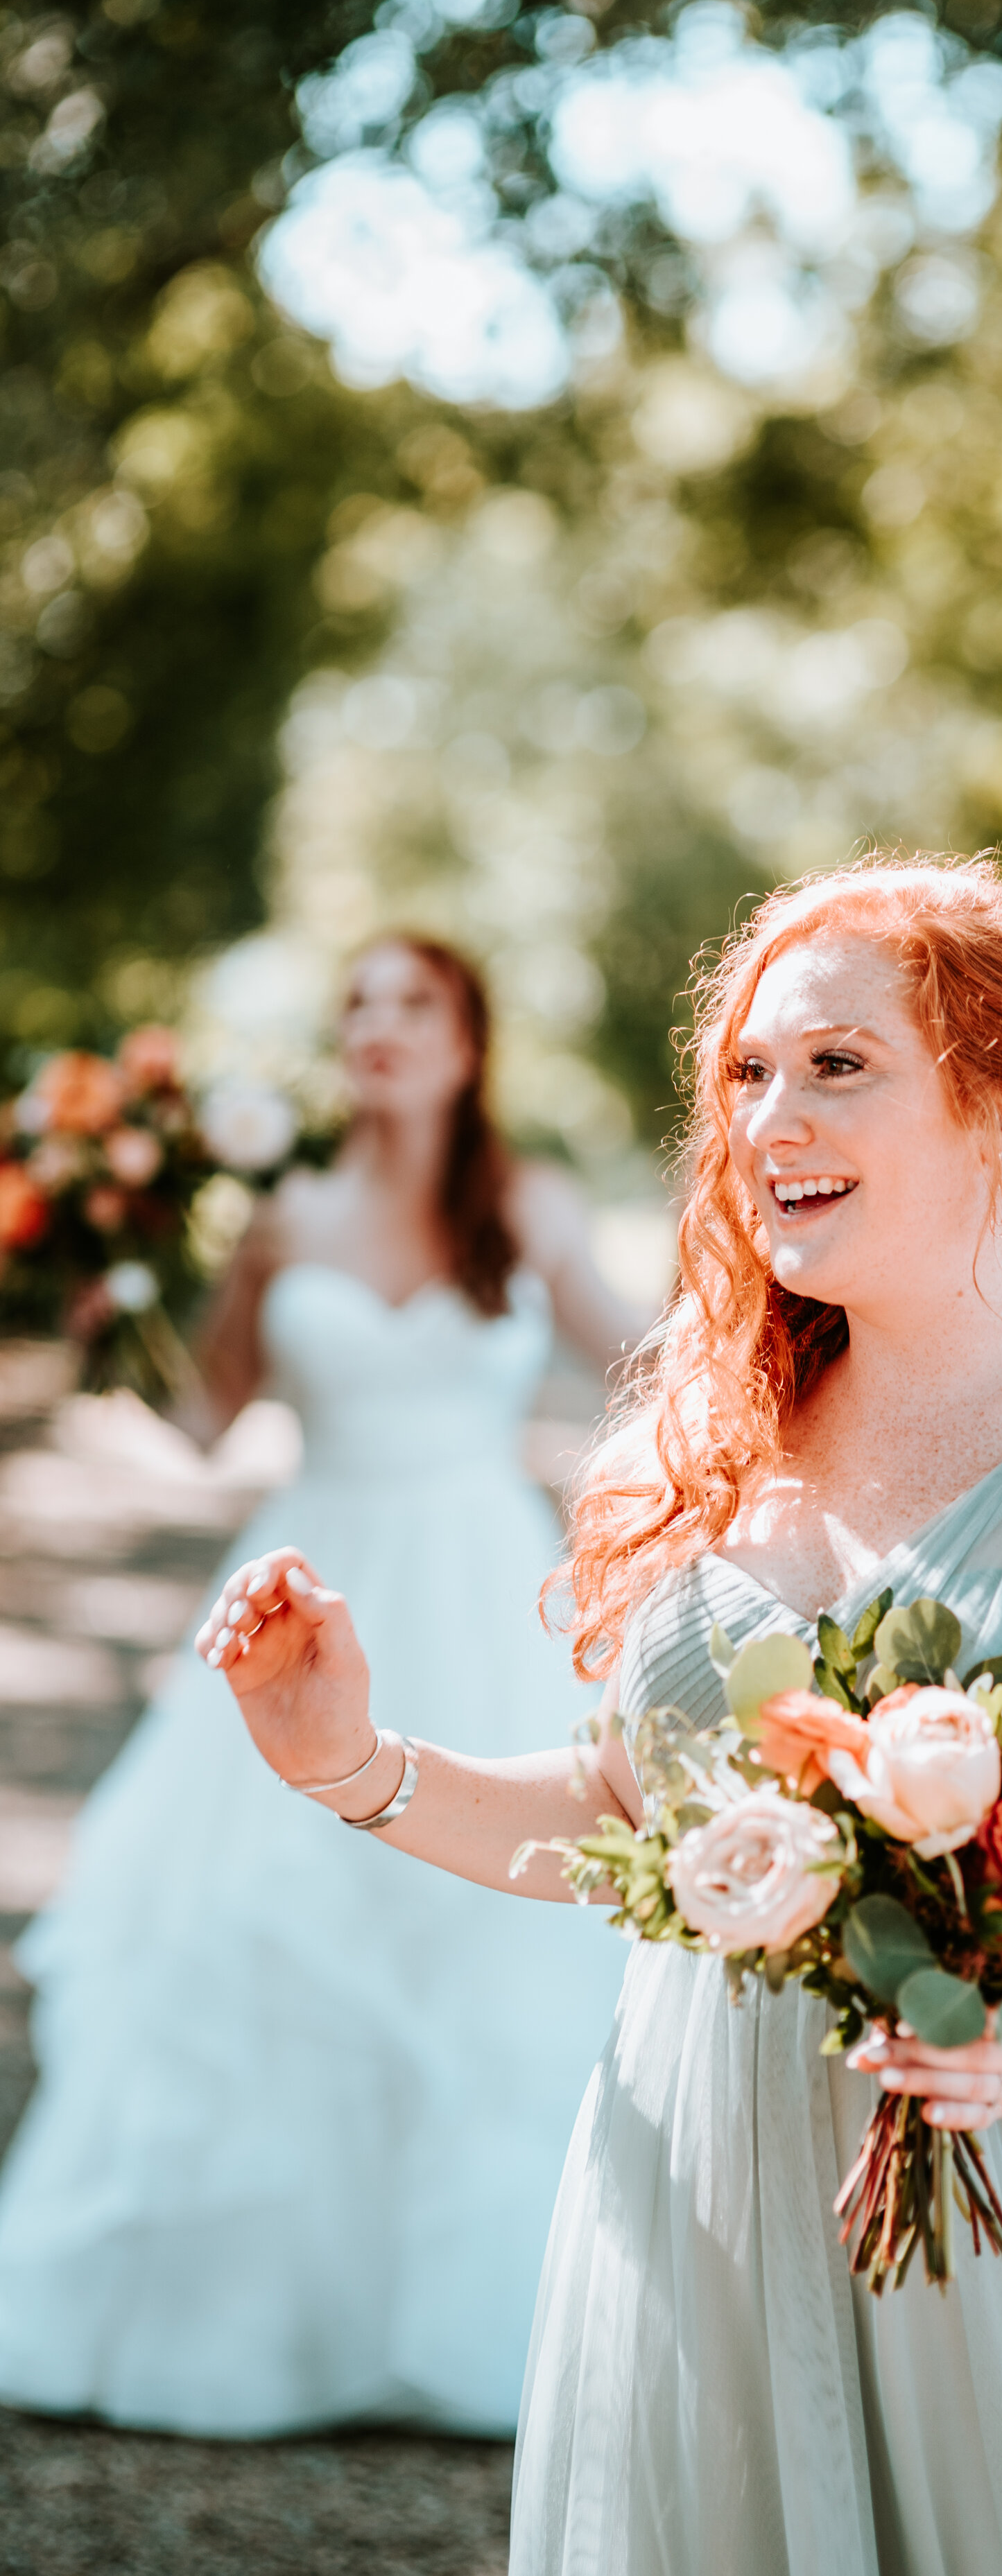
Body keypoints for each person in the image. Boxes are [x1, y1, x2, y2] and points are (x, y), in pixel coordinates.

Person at [197, 863, 1002, 2574]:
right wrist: (350, 1761)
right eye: (749, 1073)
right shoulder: (703, 1454)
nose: (770, 1118)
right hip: (707, 2193)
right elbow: (637, 1812)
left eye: (839, 1065)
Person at [0, 936, 643, 2440]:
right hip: (305, 1582)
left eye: (414, 1003)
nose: (378, 1026)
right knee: (250, 1914)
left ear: (468, 1043)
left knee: (502, 1921)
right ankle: (252, 2327)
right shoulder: (282, 1215)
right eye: (357, 1003)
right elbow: (201, 1420)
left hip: (485, 1587)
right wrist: (106, 1310)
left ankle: (485, 2325)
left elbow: (656, 1368)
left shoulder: (528, 1205)